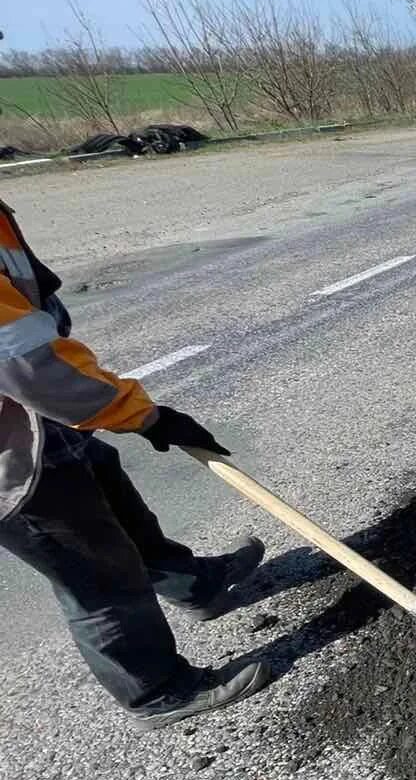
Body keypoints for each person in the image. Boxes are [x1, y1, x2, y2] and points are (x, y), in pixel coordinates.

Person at [0, 199, 273, 730]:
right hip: (8, 449)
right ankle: (156, 691)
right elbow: (24, 362)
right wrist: (145, 417)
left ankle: (194, 585)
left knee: (110, 494)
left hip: (29, 416)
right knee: (94, 569)